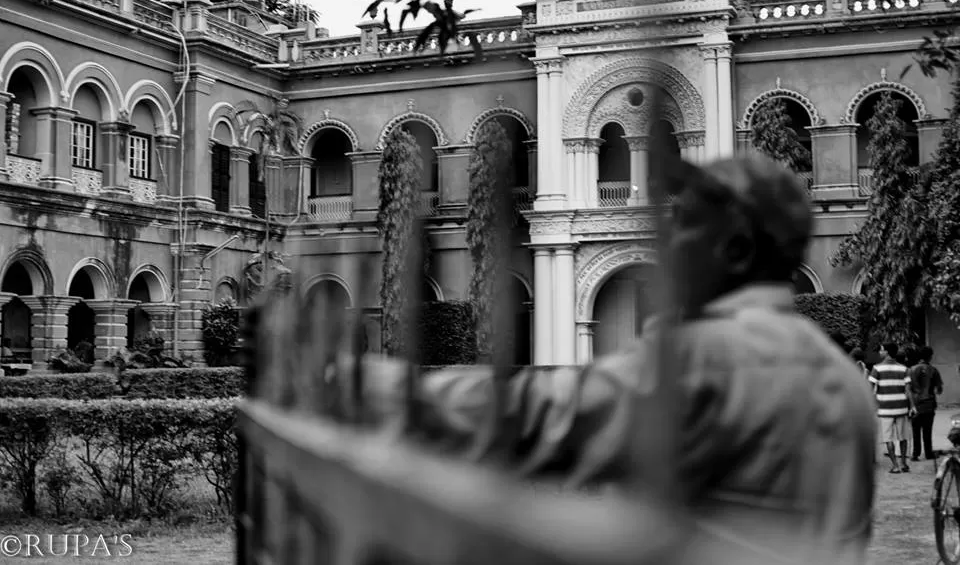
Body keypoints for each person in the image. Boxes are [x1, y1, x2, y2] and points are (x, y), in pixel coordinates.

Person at [343, 154, 877, 564]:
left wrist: (345, 382)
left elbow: (532, 414)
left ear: (735, 250)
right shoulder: (842, 378)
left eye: (686, 224)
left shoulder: (710, 357)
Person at [870, 343, 917, 473]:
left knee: (888, 438)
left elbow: (869, 388)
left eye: (881, 350)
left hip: (884, 409)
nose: (880, 352)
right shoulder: (903, 369)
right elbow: (908, 390)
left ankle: (895, 466)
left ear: (886, 352)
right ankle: (904, 463)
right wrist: (912, 406)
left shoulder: (877, 369)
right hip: (901, 408)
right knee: (903, 437)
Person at [909, 345, 943, 461]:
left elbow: (908, 388)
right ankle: (928, 453)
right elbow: (939, 390)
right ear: (930, 357)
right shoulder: (934, 370)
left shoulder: (911, 369)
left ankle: (915, 454)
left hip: (915, 404)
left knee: (915, 430)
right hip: (928, 404)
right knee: (927, 431)